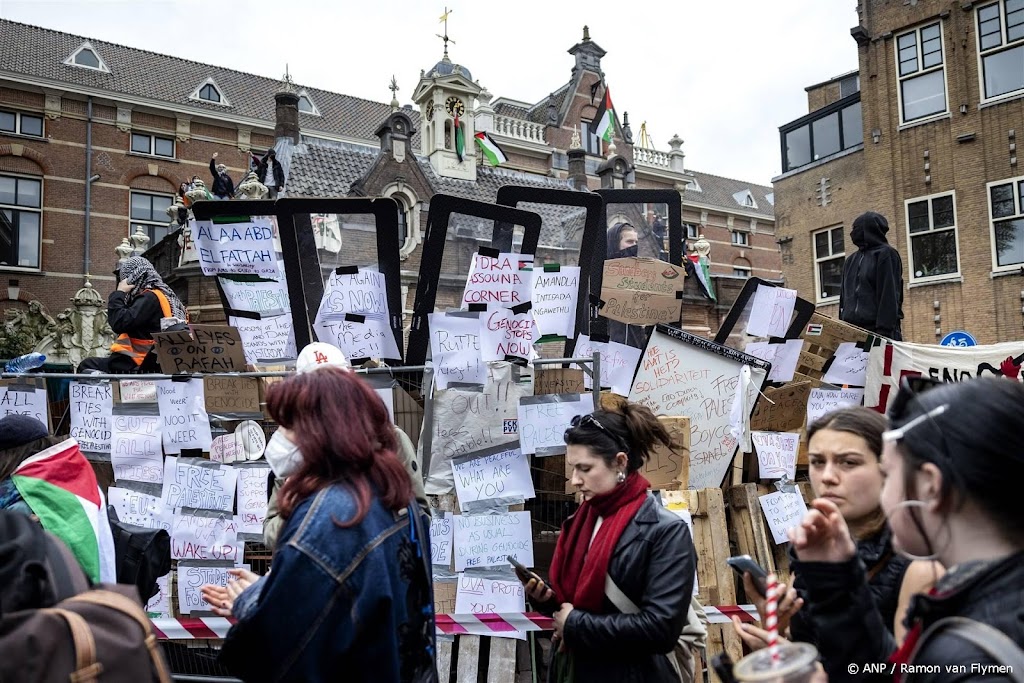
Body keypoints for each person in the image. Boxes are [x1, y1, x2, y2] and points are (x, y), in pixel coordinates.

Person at [202, 366, 436, 683]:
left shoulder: (330, 519)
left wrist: (248, 602)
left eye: (288, 425)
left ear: (320, 432)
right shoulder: (392, 494)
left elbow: (283, 650)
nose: (280, 438)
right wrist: (271, 591)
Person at [789, 377, 1024, 682]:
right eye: (818, 463)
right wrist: (835, 583)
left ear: (930, 485)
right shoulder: (984, 602)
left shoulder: (972, 658)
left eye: (888, 472)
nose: (828, 477)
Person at [732, 407, 941, 657]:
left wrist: (803, 664)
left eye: (849, 462)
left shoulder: (919, 566)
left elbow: (908, 673)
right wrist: (777, 625)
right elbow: (811, 643)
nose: (828, 477)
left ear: (889, 469)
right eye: (818, 462)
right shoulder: (811, 547)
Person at [525, 405, 696, 682]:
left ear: (619, 462)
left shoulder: (665, 531)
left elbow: (661, 630)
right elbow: (584, 601)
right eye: (573, 469)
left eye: (585, 469)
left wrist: (576, 624)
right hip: (575, 669)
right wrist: (548, 601)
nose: (575, 480)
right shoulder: (583, 520)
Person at [261, 342, 428, 549]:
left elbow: (420, 517)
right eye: (318, 390)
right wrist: (298, 500)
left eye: (336, 385)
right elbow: (270, 536)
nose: (330, 398)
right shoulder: (294, 450)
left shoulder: (389, 439)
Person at [77, 256, 188, 374]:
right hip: (156, 362)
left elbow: (119, 322)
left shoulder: (149, 297)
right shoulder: (168, 298)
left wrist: (119, 293)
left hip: (136, 363)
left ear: (132, 278)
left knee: (86, 365)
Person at [839, 211, 904, 340]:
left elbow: (889, 293)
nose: (852, 233)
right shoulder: (850, 260)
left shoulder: (886, 255)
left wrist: (884, 331)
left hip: (878, 333)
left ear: (867, 229)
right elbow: (843, 296)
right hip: (851, 331)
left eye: (855, 228)